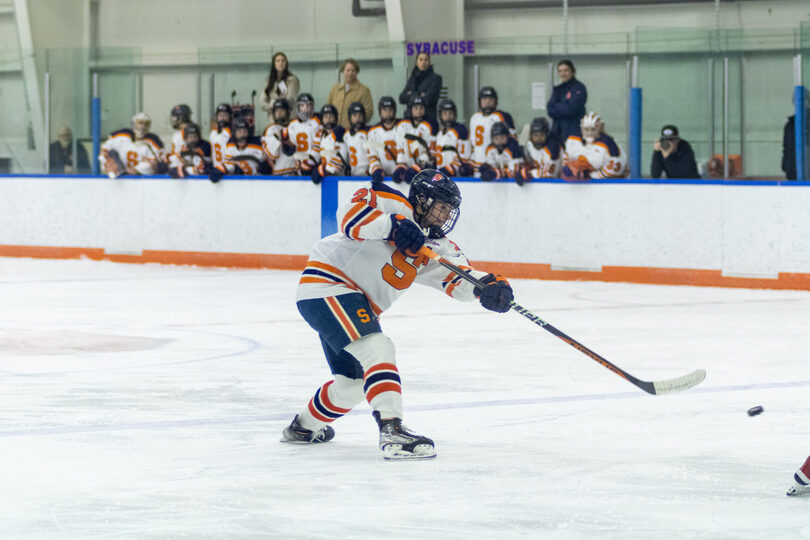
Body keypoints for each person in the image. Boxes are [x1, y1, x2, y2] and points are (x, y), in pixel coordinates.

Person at [280, 169, 514, 460]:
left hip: (353, 304)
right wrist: (391, 226)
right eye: (441, 206)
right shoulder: (389, 200)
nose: (445, 216)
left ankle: (303, 427)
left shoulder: (436, 247)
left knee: (352, 385)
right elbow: (348, 218)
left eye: (449, 210)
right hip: (328, 284)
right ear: (422, 199)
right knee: (379, 348)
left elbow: (458, 277)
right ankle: (392, 430)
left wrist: (487, 287)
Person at [561, 112, 627, 181]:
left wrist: (592, 176)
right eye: (586, 129)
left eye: (593, 129)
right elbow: (565, 158)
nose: (589, 133)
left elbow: (615, 170)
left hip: (605, 184)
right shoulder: (572, 140)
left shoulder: (609, 145)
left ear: (600, 128)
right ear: (581, 128)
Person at [99, 112, 166, 178]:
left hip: (142, 179)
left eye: (146, 124)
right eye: (140, 123)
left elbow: (156, 165)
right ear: (134, 124)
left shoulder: (154, 141)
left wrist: (136, 169)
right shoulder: (121, 136)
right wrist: (109, 165)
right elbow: (104, 152)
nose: (143, 126)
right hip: (120, 179)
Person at [469, 86, 516, 176]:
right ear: (480, 101)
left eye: (491, 98)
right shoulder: (474, 118)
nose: (487, 101)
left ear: (496, 101)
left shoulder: (503, 117)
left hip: (497, 167)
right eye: (484, 98)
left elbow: (512, 142)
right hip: (478, 165)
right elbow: (472, 144)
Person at [393, 95, 437, 183]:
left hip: (426, 173)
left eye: (421, 108)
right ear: (411, 109)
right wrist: (401, 166)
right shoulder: (403, 126)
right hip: (408, 171)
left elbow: (431, 153)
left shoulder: (431, 126)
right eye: (416, 108)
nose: (419, 111)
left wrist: (419, 166)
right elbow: (400, 148)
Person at [208, 117, 267, 183]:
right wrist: (219, 169)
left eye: (245, 131)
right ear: (234, 132)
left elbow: (264, 168)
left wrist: (263, 166)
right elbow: (228, 163)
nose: (242, 134)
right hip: (238, 185)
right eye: (239, 131)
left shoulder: (256, 144)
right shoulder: (231, 144)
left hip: (255, 183)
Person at [327, 58, 374, 131]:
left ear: (357, 72)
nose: (350, 73)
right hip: (334, 131)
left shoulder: (364, 90)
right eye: (348, 70)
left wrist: (357, 123)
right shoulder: (334, 89)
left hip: (353, 132)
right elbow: (328, 109)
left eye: (353, 70)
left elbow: (368, 112)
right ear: (343, 71)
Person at [546, 59, 587, 143]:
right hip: (557, 133)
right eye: (560, 71)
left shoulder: (579, 88)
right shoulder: (557, 89)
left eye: (566, 70)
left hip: (574, 132)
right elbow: (550, 110)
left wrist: (557, 106)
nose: (563, 73)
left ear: (573, 71)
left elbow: (571, 110)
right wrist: (565, 105)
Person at [514, 117, 562, 185]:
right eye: (535, 135)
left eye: (542, 135)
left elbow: (550, 174)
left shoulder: (553, 148)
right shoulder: (529, 146)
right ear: (531, 135)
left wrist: (530, 173)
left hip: (558, 182)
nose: (538, 138)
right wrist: (522, 171)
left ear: (547, 134)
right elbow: (529, 164)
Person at [398, 52, 443, 123]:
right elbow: (402, 98)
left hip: (428, 119)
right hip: (410, 120)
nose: (423, 62)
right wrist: (420, 94)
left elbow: (428, 99)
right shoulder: (412, 78)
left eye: (426, 60)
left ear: (429, 62)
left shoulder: (436, 78)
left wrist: (411, 94)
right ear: (416, 62)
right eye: (421, 60)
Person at [433, 99, 472, 177]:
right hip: (441, 177)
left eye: (450, 113)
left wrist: (447, 170)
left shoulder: (460, 131)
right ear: (440, 116)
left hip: (456, 178)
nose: (448, 116)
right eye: (445, 113)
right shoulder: (439, 134)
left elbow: (464, 158)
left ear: (455, 114)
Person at [286, 93, 323, 176]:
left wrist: (311, 162)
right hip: (297, 166)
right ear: (298, 108)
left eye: (308, 106)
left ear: (312, 107)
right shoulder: (292, 125)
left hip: (312, 164)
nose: (305, 109)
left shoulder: (317, 123)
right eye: (302, 106)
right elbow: (291, 148)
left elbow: (318, 147)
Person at [311, 104, 349, 184]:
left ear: (336, 119)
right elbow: (315, 154)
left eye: (331, 117)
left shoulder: (340, 133)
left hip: (341, 179)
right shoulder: (320, 135)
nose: (328, 120)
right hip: (325, 178)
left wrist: (324, 170)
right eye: (325, 117)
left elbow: (340, 159)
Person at [259, 52, 300, 125]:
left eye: (283, 61)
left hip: (289, 121)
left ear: (286, 63)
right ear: (274, 64)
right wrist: (271, 105)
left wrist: (274, 103)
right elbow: (262, 103)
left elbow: (290, 100)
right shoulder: (269, 81)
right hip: (273, 122)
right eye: (278, 61)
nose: (280, 63)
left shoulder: (292, 80)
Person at [367, 96, 401, 182]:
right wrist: (377, 170)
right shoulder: (373, 132)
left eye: (390, 110)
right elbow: (372, 156)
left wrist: (402, 169)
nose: (387, 113)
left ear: (394, 111)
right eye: (384, 110)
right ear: (380, 112)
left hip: (401, 177)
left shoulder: (402, 127)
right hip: (383, 177)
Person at [261, 98, 297, 176]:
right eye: (276, 111)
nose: (279, 114)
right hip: (279, 174)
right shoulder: (271, 129)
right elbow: (272, 155)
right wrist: (277, 139)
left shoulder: (295, 126)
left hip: (295, 172)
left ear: (288, 112)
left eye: (282, 111)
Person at [343, 101, 371, 177]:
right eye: (354, 115)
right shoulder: (346, 135)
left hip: (368, 176)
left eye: (360, 115)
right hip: (352, 176)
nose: (358, 118)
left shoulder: (369, 133)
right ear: (350, 117)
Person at [209, 103, 232, 170]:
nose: (222, 118)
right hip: (216, 168)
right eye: (220, 115)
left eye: (225, 115)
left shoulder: (231, 133)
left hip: (228, 169)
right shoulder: (213, 133)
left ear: (230, 117)